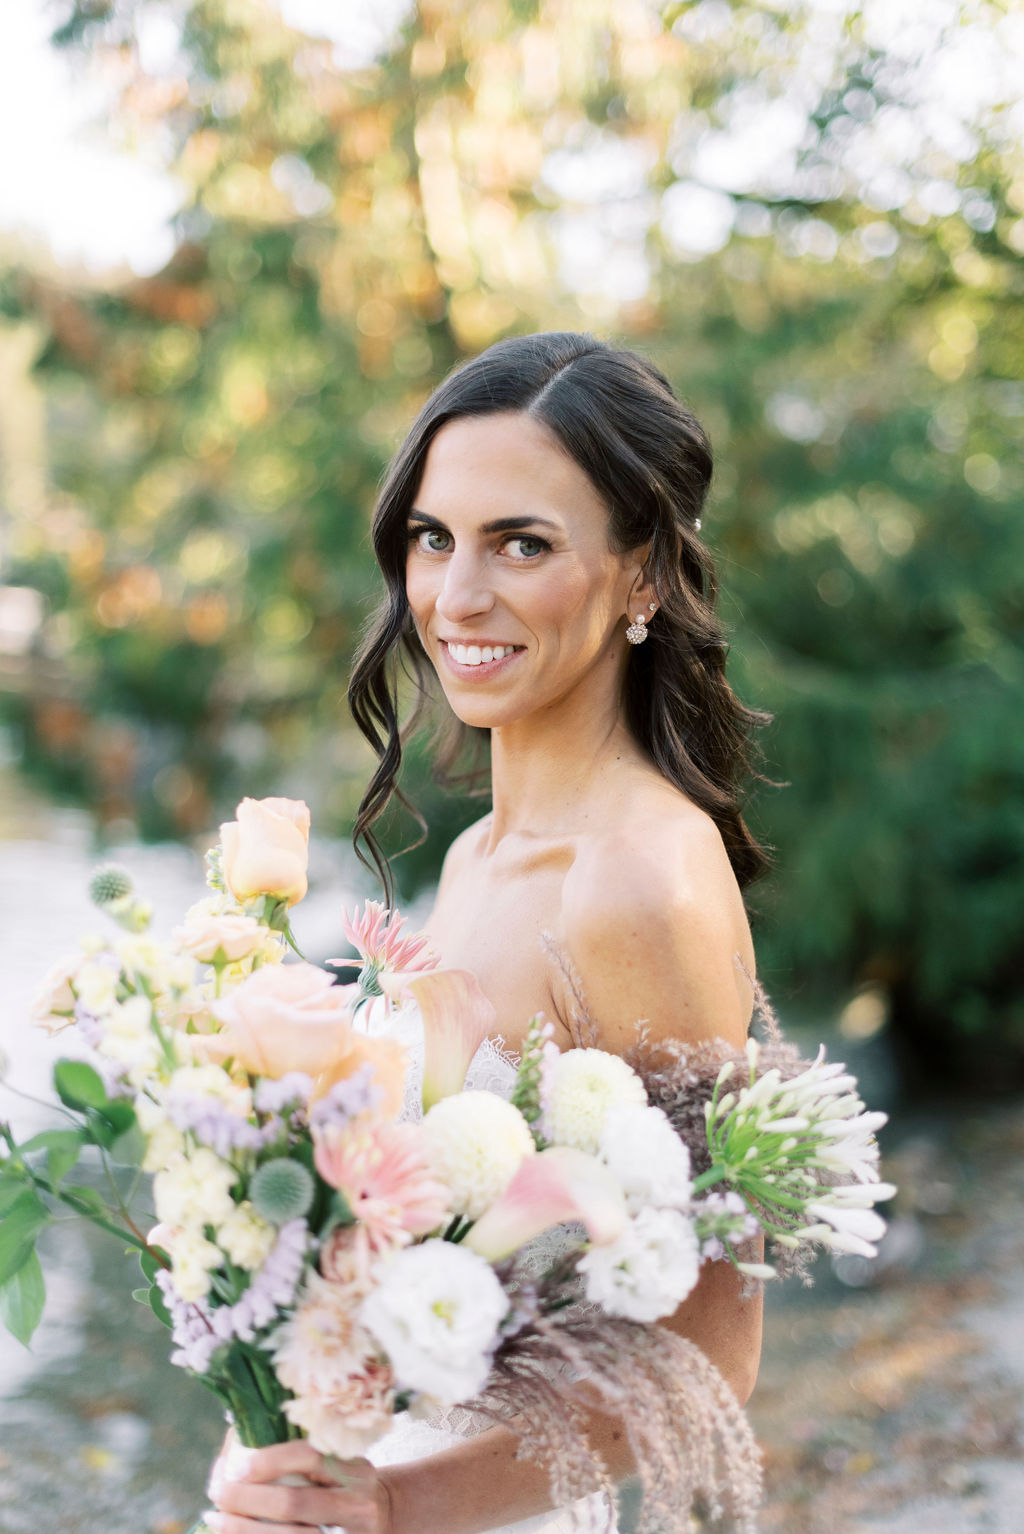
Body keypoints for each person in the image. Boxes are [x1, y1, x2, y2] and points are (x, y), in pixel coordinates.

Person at [208, 332, 767, 1534]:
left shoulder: (636, 884)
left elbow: (712, 1349)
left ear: (643, 577)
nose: (456, 597)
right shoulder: (473, 856)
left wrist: (398, 1507)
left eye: (523, 543)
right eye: (433, 537)